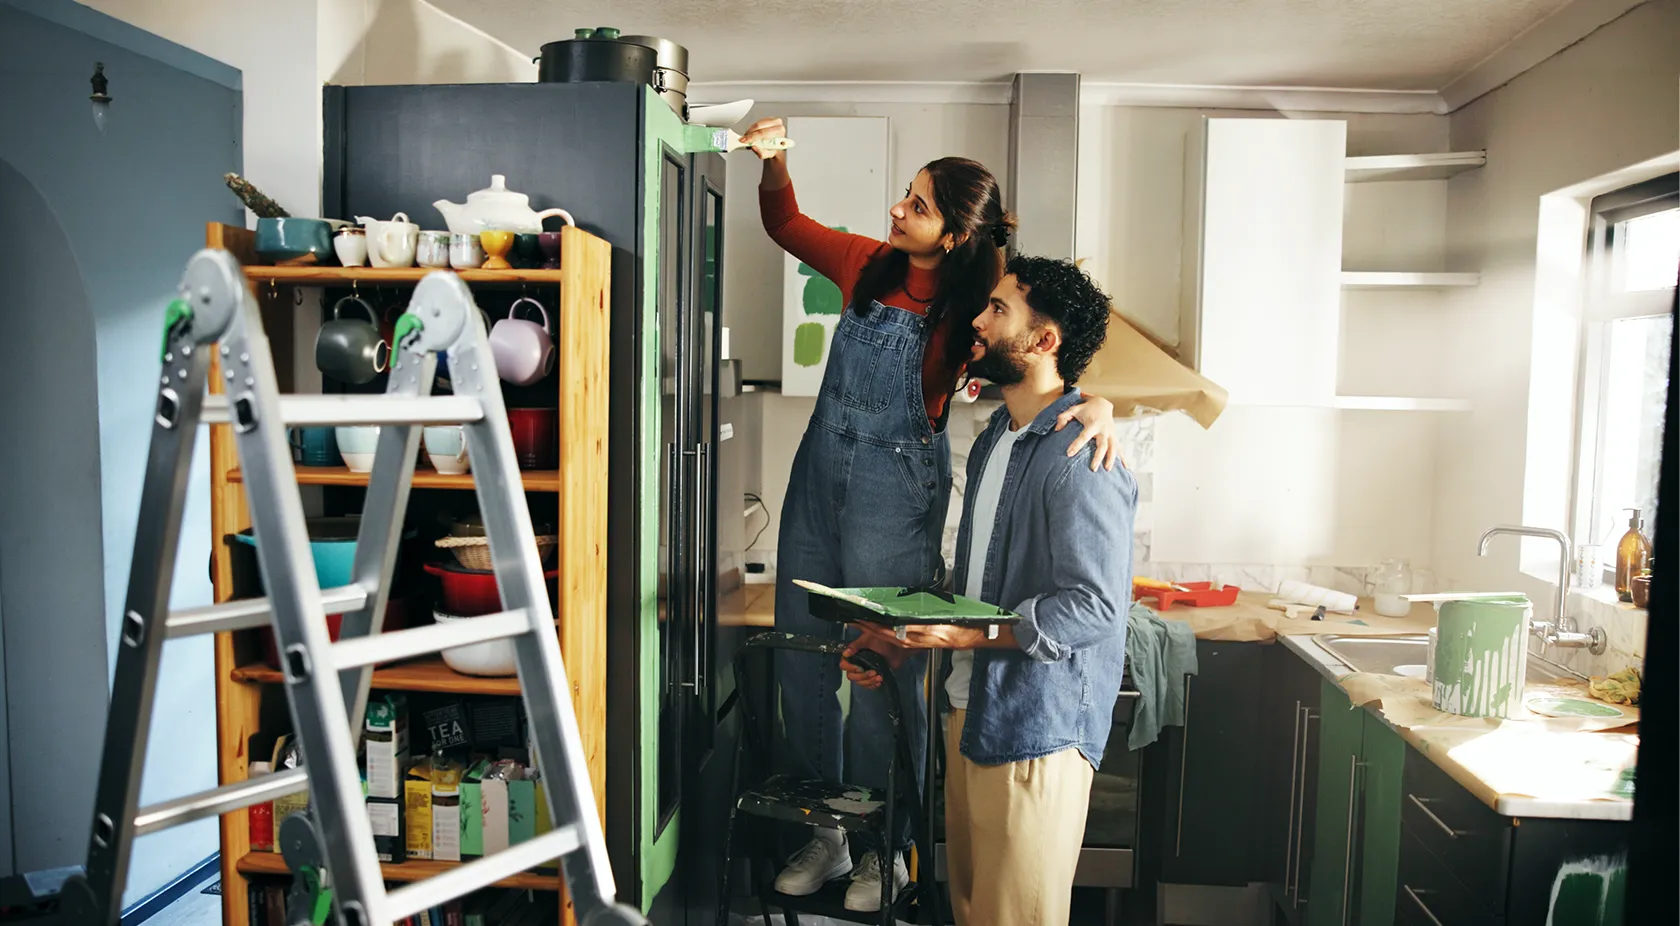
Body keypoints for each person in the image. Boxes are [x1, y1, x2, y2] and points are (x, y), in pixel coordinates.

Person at [740, 117, 1123, 912]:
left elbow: (1054, 351)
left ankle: (887, 849)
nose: (896, 209)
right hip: (817, 480)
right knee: (804, 662)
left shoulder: (975, 315)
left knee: (883, 671)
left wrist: (1103, 407)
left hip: (893, 494)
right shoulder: (867, 266)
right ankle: (830, 836)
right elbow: (783, 221)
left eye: (916, 203)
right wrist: (774, 162)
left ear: (954, 236)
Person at [842, 255, 1137, 926]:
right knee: (976, 913)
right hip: (969, 713)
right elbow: (976, 585)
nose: (977, 318)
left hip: (1036, 730)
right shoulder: (997, 437)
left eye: (999, 310)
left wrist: (967, 635)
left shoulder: (1083, 455)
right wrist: (898, 641)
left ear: (1045, 341)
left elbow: (1092, 607)